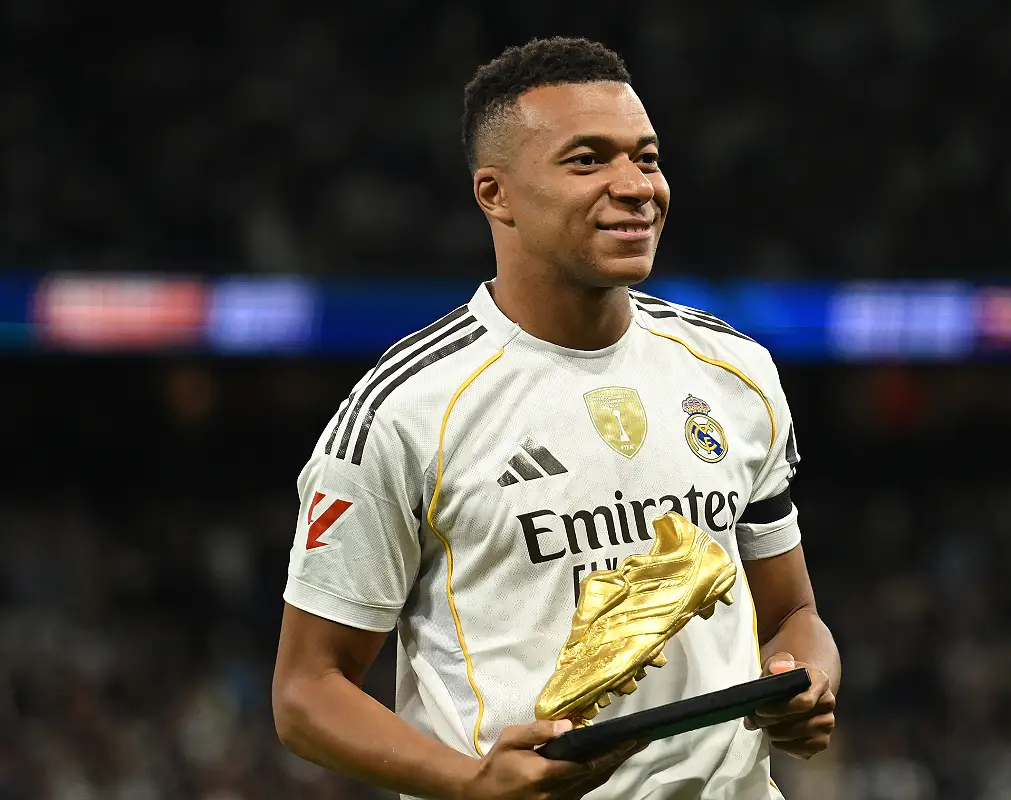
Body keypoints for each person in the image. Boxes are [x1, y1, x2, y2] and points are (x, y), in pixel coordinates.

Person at [272, 36, 840, 800]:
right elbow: (306, 692)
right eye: (587, 160)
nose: (635, 185)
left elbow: (794, 612)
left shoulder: (736, 371)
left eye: (646, 156)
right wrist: (473, 783)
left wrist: (804, 682)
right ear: (493, 194)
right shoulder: (407, 409)